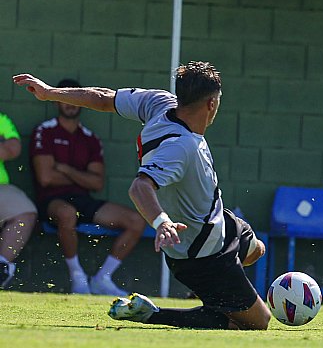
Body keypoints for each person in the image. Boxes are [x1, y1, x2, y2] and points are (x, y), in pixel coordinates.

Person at [14, 61, 270, 330]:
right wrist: (162, 223)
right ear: (211, 104)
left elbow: (103, 98)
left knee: (256, 249)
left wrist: (49, 92)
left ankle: (215, 296)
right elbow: (140, 186)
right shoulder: (181, 147)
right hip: (201, 254)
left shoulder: (160, 102)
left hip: (221, 222)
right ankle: (155, 313)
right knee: (257, 323)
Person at [29, 79, 147, 296]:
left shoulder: (90, 138)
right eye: (63, 98)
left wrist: (64, 169)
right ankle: (78, 278)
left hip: (84, 200)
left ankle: (103, 279)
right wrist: (82, 177)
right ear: (56, 102)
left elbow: (97, 183)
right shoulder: (44, 131)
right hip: (52, 201)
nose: (69, 104)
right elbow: (45, 178)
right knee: (67, 214)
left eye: (73, 98)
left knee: (137, 220)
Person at [0, 112, 37, 288]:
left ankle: (1, 267)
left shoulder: (1, 119)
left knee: (25, 211)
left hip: (0, 187)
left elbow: (13, 149)